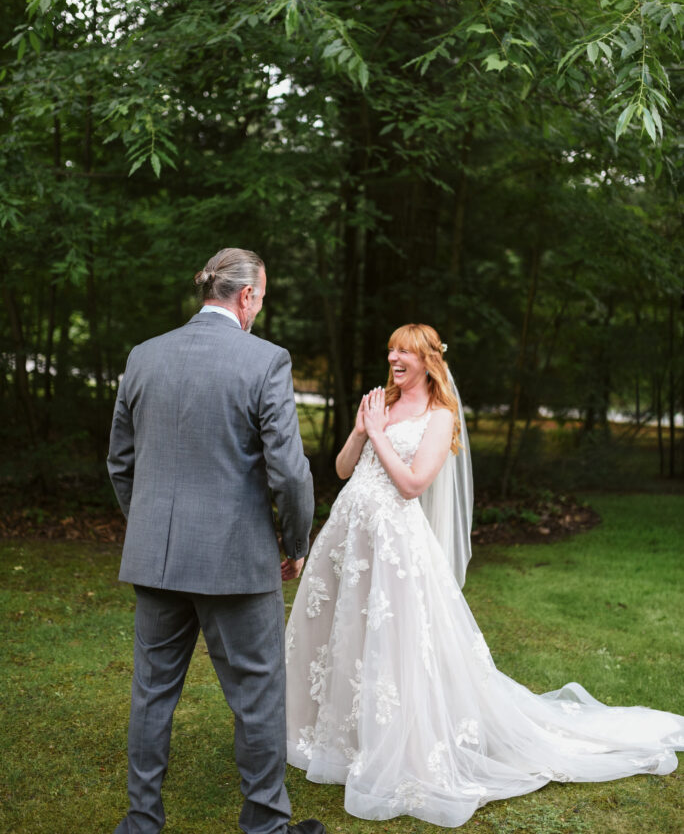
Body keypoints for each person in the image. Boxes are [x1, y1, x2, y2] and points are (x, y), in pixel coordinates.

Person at [285, 323, 684, 829]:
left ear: (429, 359)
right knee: (345, 638)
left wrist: (381, 436)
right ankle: (341, 740)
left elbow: (410, 486)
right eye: (390, 350)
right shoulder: (378, 404)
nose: (393, 359)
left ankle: (399, 743)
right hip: (349, 537)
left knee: (394, 643)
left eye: (404, 352)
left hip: (394, 548)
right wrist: (364, 429)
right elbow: (343, 470)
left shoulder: (439, 417)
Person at [107, 247, 326, 834]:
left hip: (156, 558)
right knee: (256, 695)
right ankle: (266, 827)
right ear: (248, 295)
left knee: (151, 693)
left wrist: (149, 526)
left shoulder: (144, 356)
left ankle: (141, 822)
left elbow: (120, 463)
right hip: (236, 560)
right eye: (263, 297)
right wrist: (295, 540)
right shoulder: (265, 361)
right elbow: (290, 473)